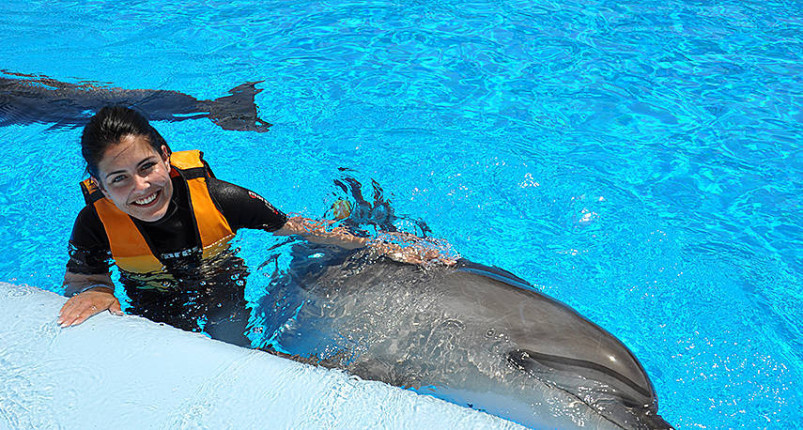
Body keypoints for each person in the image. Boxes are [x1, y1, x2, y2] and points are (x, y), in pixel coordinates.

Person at [58, 106, 453, 345]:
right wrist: (95, 291)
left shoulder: (222, 199)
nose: (141, 188)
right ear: (100, 186)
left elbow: (298, 228)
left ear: (165, 157)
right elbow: (83, 278)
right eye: (119, 179)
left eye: (147, 168)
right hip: (149, 293)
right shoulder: (93, 223)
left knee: (232, 344)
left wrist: (385, 247)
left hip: (220, 279)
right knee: (164, 347)